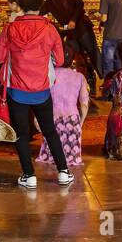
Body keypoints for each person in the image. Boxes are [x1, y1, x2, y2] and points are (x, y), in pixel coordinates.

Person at [0, 0, 73, 190]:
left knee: (21, 133)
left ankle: (29, 175)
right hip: (42, 90)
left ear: (20, 4)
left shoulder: (10, 29)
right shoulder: (50, 29)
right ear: (41, 4)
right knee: (49, 130)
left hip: (16, 91)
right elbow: (60, 60)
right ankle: (63, 172)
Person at [41, 0, 100, 93]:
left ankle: (104, 79)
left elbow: (79, 4)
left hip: (82, 27)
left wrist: (73, 19)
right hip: (70, 32)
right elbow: (39, 13)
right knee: (69, 54)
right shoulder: (48, 1)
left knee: (92, 52)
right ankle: (73, 82)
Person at [36, 40, 90, 168]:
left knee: (49, 150)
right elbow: (84, 105)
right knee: (73, 153)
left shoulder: (48, 76)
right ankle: (70, 157)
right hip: (72, 121)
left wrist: (37, 119)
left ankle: (50, 156)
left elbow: (40, 100)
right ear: (72, 60)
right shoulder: (79, 77)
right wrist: (80, 123)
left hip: (52, 121)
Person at [95, 0, 122, 78]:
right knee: (119, 64)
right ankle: (120, 87)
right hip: (120, 34)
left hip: (110, 35)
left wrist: (94, 17)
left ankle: (108, 90)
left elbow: (104, 18)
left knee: (108, 65)